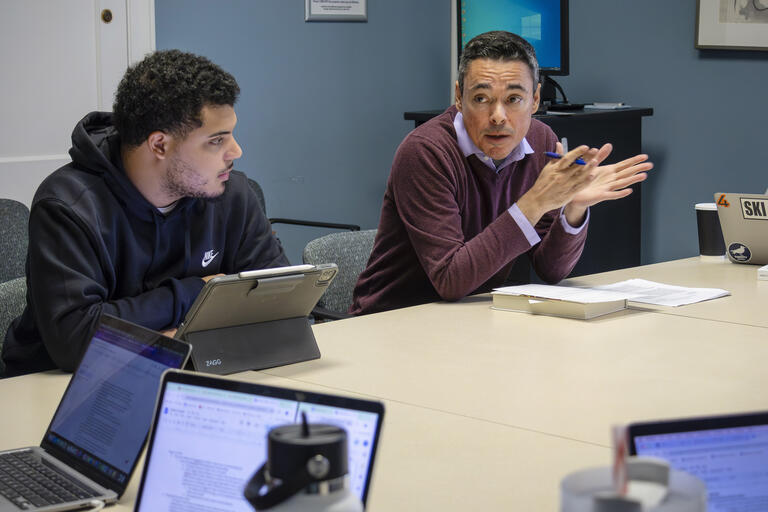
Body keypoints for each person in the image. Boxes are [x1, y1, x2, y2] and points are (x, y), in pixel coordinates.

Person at [2, 50, 288, 376]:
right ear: (159, 146)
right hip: (57, 386)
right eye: (216, 140)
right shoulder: (68, 206)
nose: (236, 151)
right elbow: (76, 340)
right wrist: (202, 291)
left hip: (194, 371)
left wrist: (164, 335)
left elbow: (279, 299)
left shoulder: (230, 192)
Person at [350, 31, 652, 315]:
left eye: (513, 99)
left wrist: (574, 207)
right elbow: (450, 279)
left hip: (472, 319)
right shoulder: (426, 152)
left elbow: (551, 269)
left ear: (535, 99)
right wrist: (534, 203)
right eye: (481, 98)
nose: (497, 116)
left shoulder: (541, 140)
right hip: (394, 322)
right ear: (458, 96)